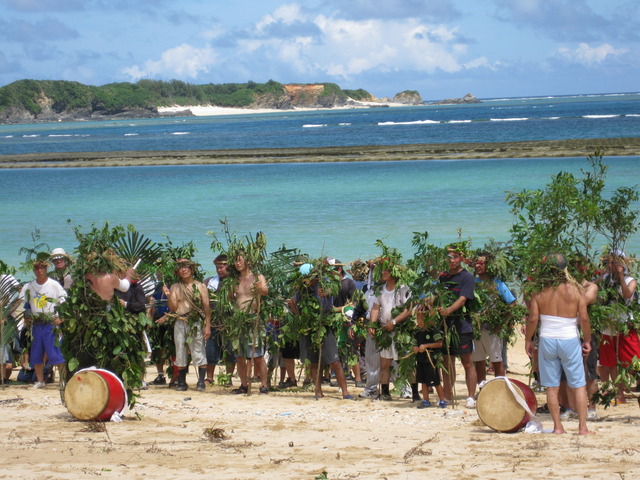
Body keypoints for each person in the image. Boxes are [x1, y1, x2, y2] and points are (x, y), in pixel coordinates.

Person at [525, 253, 593, 435]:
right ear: (565, 269)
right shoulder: (576, 290)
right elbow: (584, 318)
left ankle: (557, 427)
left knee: (552, 386)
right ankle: (582, 427)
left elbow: (533, 319)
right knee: (578, 384)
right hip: (569, 338)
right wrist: (587, 340)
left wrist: (528, 340)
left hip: (547, 338)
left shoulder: (539, 291)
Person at [162, 259, 211, 392]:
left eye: (186, 267)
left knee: (198, 350)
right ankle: (182, 382)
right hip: (180, 321)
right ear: (178, 271)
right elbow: (173, 308)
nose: (184, 270)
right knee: (180, 351)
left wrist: (207, 325)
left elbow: (206, 307)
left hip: (195, 321)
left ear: (192, 269)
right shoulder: (175, 287)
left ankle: (201, 382)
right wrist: (168, 295)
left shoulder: (200, 286)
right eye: (181, 268)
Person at [438, 245, 477, 408]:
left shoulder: (467, 277)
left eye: (455, 257)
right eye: (449, 257)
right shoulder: (443, 277)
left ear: (461, 258)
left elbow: (462, 299)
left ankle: (470, 396)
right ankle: (447, 394)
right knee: (447, 361)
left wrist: (448, 310)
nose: (452, 260)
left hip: (462, 325)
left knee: (467, 361)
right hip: (445, 325)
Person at [19, 256, 67, 389]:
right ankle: (40, 381)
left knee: (55, 352)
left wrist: (61, 318)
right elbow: (24, 303)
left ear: (46, 268)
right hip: (37, 324)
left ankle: (62, 380)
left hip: (51, 323)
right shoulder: (29, 286)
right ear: (33, 270)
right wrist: (27, 318)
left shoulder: (54, 285)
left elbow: (64, 302)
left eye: (42, 267)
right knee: (37, 353)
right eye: (36, 268)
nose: (39, 270)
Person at [597, 251, 638, 404]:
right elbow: (594, 289)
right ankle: (618, 392)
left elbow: (627, 295)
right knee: (610, 361)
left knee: (632, 358)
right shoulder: (605, 279)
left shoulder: (630, 280)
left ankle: (624, 387)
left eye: (613, 262)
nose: (610, 265)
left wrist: (620, 277)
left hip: (624, 324)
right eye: (608, 262)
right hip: (608, 324)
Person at [472, 253, 516, 383]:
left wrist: (503, 324)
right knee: (479, 362)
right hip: (476, 329)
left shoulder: (497, 283)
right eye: (476, 263)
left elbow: (512, 304)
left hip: (492, 329)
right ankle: (482, 389)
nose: (477, 265)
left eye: (481, 263)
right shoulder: (473, 283)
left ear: (489, 266)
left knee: (496, 361)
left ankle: (500, 388)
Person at [369, 266, 412, 401]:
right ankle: (385, 393)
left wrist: (394, 322)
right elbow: (376, 308)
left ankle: (412, 391)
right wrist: (372, 324)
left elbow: (408, 309)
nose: (383, 272)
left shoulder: (403, 288)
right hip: (385, 330)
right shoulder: (380, 290)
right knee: (385, 363)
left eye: (386, 270)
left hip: (401, 330)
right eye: (383, 270)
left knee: (406, 361)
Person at [230, 253, 269, 395]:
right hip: (238, 320)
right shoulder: (235, 280)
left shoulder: (258, 277)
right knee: (239, 356)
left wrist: (260, 288)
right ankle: (243, 384)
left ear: (248, 261)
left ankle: (264, 385)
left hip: (254, 319)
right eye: (235, 260)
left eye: (240, 260)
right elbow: (230, 299)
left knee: (258, 356)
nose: (237, 263)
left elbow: (265, 292)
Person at [204, 254, 236, 386]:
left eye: (222, 267)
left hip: (230, 324)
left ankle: (228, 378)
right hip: (213, 323)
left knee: (231, 352)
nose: (219, 270)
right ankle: (210, 377)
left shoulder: (235, 282)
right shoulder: (209, 282)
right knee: (211, 352)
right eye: (217, 267)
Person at [414, 305, 447, 408]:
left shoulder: (433, 330)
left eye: (420, 318)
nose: (418, 320)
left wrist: (426, 346)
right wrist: (415, 349)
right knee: (423, 382)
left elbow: (440, 343)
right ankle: (425, 400)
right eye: (417, 318)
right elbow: (414, 345)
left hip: (430, 360)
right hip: (421, 359)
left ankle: (442, 400)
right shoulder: (417, 332)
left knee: (435, 381)